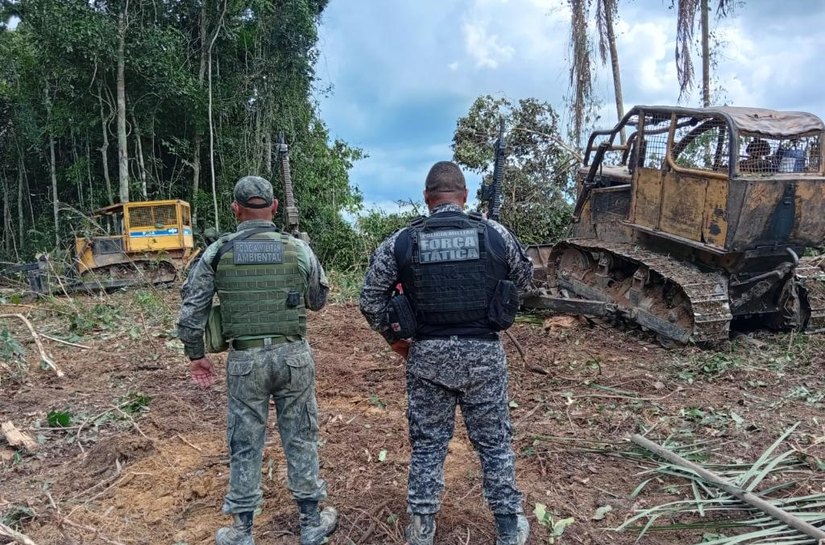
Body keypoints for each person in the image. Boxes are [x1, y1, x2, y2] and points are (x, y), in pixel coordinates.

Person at [359, 161, 534, 545]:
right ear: (465, 195)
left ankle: (422, 527)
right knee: (494, 444)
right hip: (484, 358)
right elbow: (526, 278)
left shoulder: (402, 241)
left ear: (427, 199)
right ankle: (508, 525)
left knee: (428, 445)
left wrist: (395, 341)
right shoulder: (495, 234)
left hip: (427, 359)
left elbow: (370, 299)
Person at [177, 176, 337, 545]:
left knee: (244, 440)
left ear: (235, 209)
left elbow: (191, 313)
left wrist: (197, 356)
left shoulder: (217, 251)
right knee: (301, 436)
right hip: (293, 356)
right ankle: (312, 523)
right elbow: (317, 301)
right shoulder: (296, 249)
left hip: (244, 359)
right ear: (275, 207)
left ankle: (242, 530)